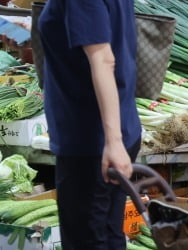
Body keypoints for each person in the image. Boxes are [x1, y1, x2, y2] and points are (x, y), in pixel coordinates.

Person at [38, 0, 141, 249]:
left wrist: (112, 142)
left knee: (89, 240)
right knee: (107, 235)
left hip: (92, 144)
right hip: (115, 133)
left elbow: (103, 59)